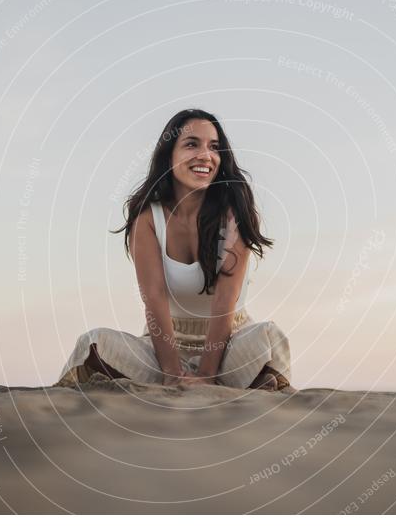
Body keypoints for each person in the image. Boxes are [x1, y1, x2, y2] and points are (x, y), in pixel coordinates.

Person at [54, 109, 292, 392]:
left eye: (214, 147)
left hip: (230, 345)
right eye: (192, 144)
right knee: (93, 343)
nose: (205, 155)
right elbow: (154, 298)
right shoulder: (147, 218)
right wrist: (171, 374)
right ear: (169, 155)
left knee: (270, 337)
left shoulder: (234, 213)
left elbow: (224, 300)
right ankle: (189, 388)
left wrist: (205, 376)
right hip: (163, 348)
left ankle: (234, 387)